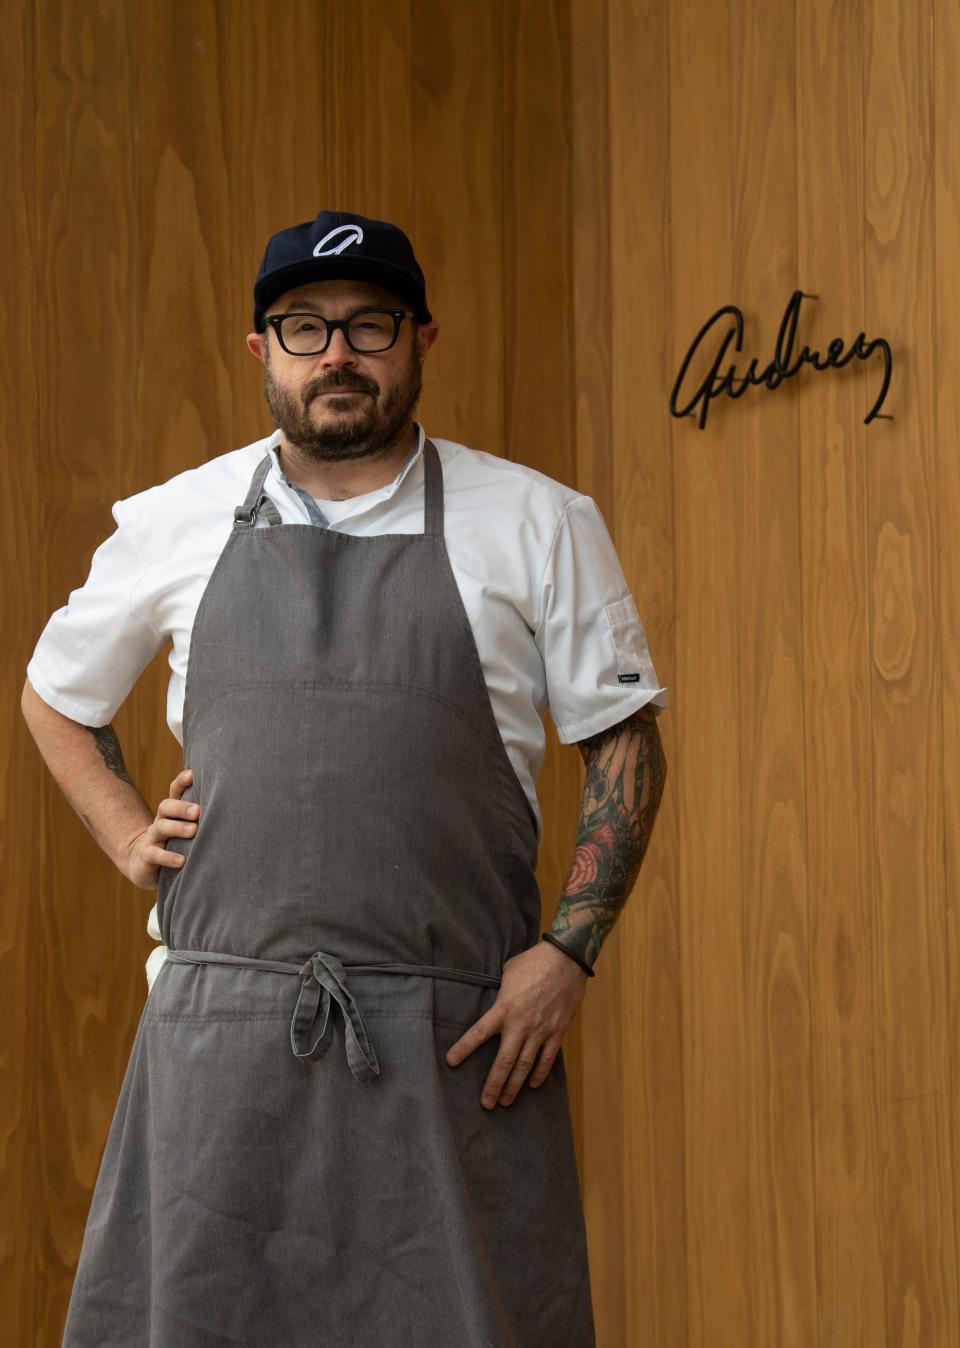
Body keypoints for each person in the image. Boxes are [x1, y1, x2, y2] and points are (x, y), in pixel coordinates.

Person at [21, 209, 669, 1347]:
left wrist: (567, 953)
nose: (337, 355)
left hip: (454, 1052)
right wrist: (129, 835)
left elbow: (623, 741)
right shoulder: (174, 520)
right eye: (304, 327)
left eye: (368, 326)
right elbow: (54, 695)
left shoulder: (538, 520)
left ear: (422, 337)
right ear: (260, 349)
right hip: (218, 1048)